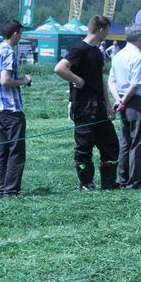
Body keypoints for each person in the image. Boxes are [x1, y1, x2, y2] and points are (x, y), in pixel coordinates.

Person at [54, 15, 118, 190]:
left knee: (111, 144)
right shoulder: (80, 49)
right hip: (83, 106)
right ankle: (85, 183)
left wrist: (108, 105)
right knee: (84, 146)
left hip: (98, 106)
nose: (108, 34)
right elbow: (59, 68)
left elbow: (100, 80)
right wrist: (78, 80)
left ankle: (109, 183)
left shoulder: (97, 51)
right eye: (108, 30)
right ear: (101, 30)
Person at [108, 23, 141, 189]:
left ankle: (122, 178)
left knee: (126, 141)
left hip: (123, 100)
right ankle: (135, 181)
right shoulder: (137, 56)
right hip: (136, 102)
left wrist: (118, 100)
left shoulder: (118, 55)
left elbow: (111, 81)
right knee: (139, 142)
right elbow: (134, 84)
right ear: (140, 37)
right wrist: (124, 101)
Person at [0, 20, 31, 196]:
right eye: (20, 33)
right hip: (12, 110)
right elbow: (5, 80)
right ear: (14, 33)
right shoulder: (9, 53)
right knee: (16, 152)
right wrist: (24, 80)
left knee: (1, 152)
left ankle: (0, 187)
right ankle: (11, 189)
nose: (21, 36)